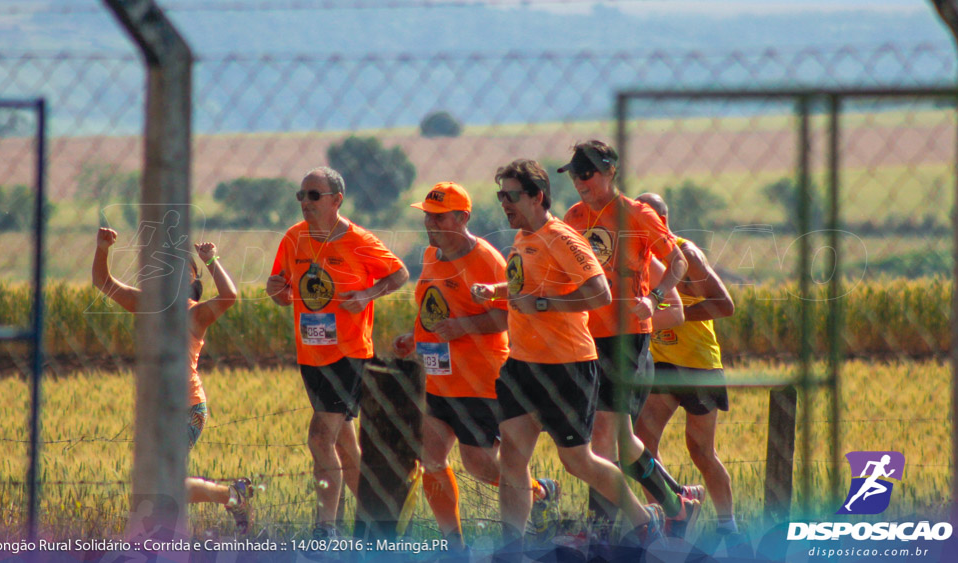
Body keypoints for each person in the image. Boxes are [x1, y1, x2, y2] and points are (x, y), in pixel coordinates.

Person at [472, 159, 664, 552]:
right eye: (500, 196)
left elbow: (599, 293)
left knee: (577, 461)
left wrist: (542, 305)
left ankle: (644, 522)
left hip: (567, 367)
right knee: (512, 456)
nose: (503, 203)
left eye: (511, 195)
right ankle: (512, 548)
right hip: (522, 364)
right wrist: (496, 292)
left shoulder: (562, 237)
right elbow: (526, 289)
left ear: (537, 196)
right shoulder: (523, 238)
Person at [392, 182, 556, 549]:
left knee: (480, 464)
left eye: (438, 217)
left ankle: (541, 492)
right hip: (437, 380)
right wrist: (414, 338)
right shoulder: (431, 256)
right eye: (426, 217)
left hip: (480, 382)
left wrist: (463, 327)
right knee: (430, 456)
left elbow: (506, 318)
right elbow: (433, 311)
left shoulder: (487, 260)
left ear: (463, 217)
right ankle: (455, 544)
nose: (430, 225)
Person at [559, 141, 703, 540]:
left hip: (628, 339)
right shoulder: (574, 216)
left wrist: (653, 298)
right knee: (620, 438)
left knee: (604, 435)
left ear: (609, 172)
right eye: (574, 174)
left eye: (586, 173)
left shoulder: (637, 215)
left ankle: (598, 530)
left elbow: (677, 262)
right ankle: (677, 503)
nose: (579, 181)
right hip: (588, 340)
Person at [265, 167, 409, 539]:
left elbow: (399, 274)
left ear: (336, 200)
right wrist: (275, 289)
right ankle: (378, 522)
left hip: (348, 354)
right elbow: (280, 287)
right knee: (345, 443)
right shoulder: (293, 238)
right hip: (310, 352)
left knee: (319, 438)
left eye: (314, 195)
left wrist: (365, 295)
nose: (305, 203)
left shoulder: (359, 240)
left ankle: (325, 530)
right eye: (301, 196)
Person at [91, 227, 254, 534]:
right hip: (156, 410)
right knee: (153, 484)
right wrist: (102, 248)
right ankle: (225, 501)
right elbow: (103, 282)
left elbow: (230, 296)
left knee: (165, 481)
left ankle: (231, 497)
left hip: (188, 408)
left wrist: (211, 260)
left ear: (192, 280)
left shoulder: (196, 315)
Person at [634, 192, 738, 539]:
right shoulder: (635, 258)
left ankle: (729, 528)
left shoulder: (686, 254)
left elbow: (725, 305)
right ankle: (667, 518)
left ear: (661, 221)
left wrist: (671, 317)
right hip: (661, 364)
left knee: (700, 451)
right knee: (642, 443)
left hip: (699, 366)